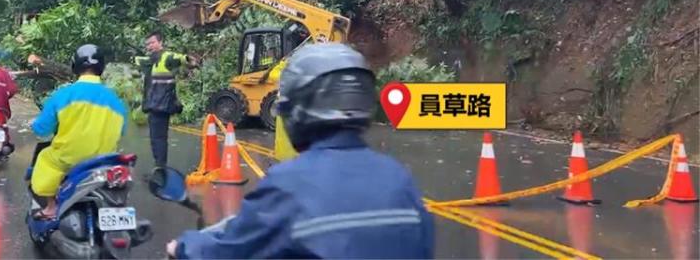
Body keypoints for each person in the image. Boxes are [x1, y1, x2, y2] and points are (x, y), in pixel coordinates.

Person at [167, 43, 434, 259]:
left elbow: (230, 247)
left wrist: (183, 247)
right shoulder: (399, 180)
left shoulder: (287, 185)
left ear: (297, 109)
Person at [29, 44, 127, 219]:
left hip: (70, 159)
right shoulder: (116, 101)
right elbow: (122, 131)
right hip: (104, 161)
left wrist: (34, 124)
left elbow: (42, 129)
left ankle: (51, 207)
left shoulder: (64, 95)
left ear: (75, 66)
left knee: (45, 158)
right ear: (101, 68)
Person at [134, 32, 199, 169]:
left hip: (162, 104)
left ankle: (160, 166)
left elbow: (181, 59)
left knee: (158, 138)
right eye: (148, 44)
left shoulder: (167, 57)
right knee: (156, 137)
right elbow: (139, 62)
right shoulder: (150, 60)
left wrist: (189, 60)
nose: (150, 46)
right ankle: (159, 163)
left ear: (160, 42)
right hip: (153, 105)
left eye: (152, 42)